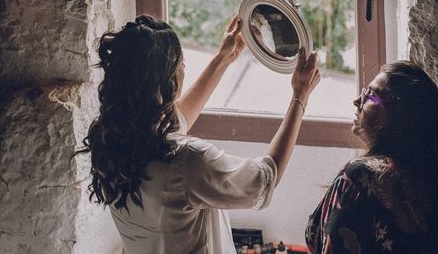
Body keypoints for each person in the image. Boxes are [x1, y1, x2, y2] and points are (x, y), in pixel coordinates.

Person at [81, 14, 320, 253]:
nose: (184, 70)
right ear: (168, 81)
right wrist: (300, 97)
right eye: (181, 66)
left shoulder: (109, 138)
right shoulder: (187, 160)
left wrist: (223, 59)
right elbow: (264, 179)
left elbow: (177, 120)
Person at [306, 61, 438, 253]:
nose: (357, 101)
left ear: (400, 118)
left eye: (371, 96)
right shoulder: (423, 175)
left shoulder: (361, 175)